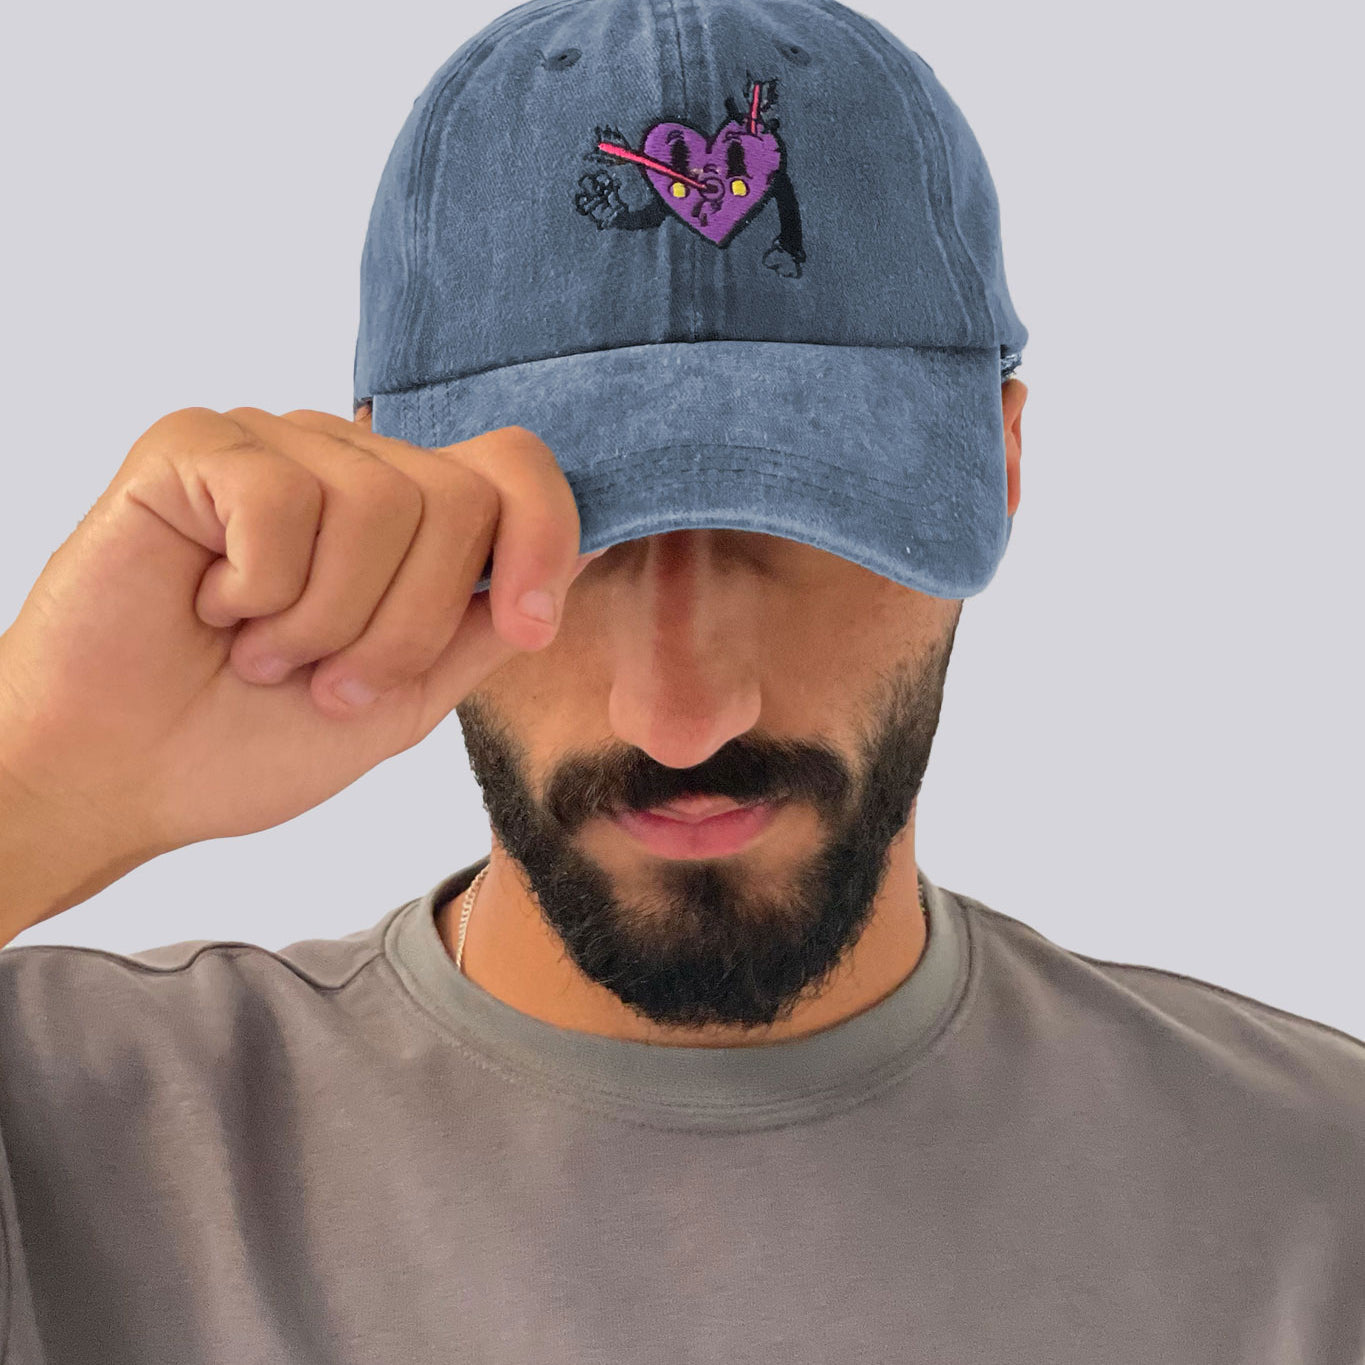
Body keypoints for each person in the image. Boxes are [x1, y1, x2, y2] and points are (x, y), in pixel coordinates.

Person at [0, 0, 1361, 1359]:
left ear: (998, 462)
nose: (685, 715)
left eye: (805, 518)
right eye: (572, 538)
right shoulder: (76, 1137)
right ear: (384, 489)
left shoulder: (1317, 1198)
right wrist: (40, 786)